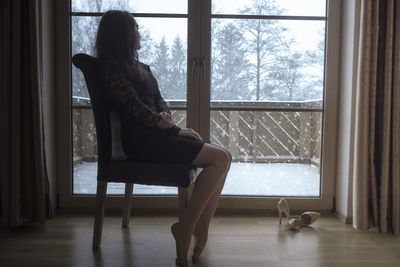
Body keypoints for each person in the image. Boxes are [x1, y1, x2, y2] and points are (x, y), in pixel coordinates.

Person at [95, 10, 232, 266]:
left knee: (225, 156)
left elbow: (159, 101)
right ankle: (189, 227)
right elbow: (133, 107)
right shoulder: (111, 69)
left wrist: (167, 118)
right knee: (220, 159)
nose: (139, 33)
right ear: (122, 34)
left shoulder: (142, 68)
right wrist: (174, 130)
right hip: (141, 142)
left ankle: (198, 226)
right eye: (135, 29)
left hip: (157, 136)